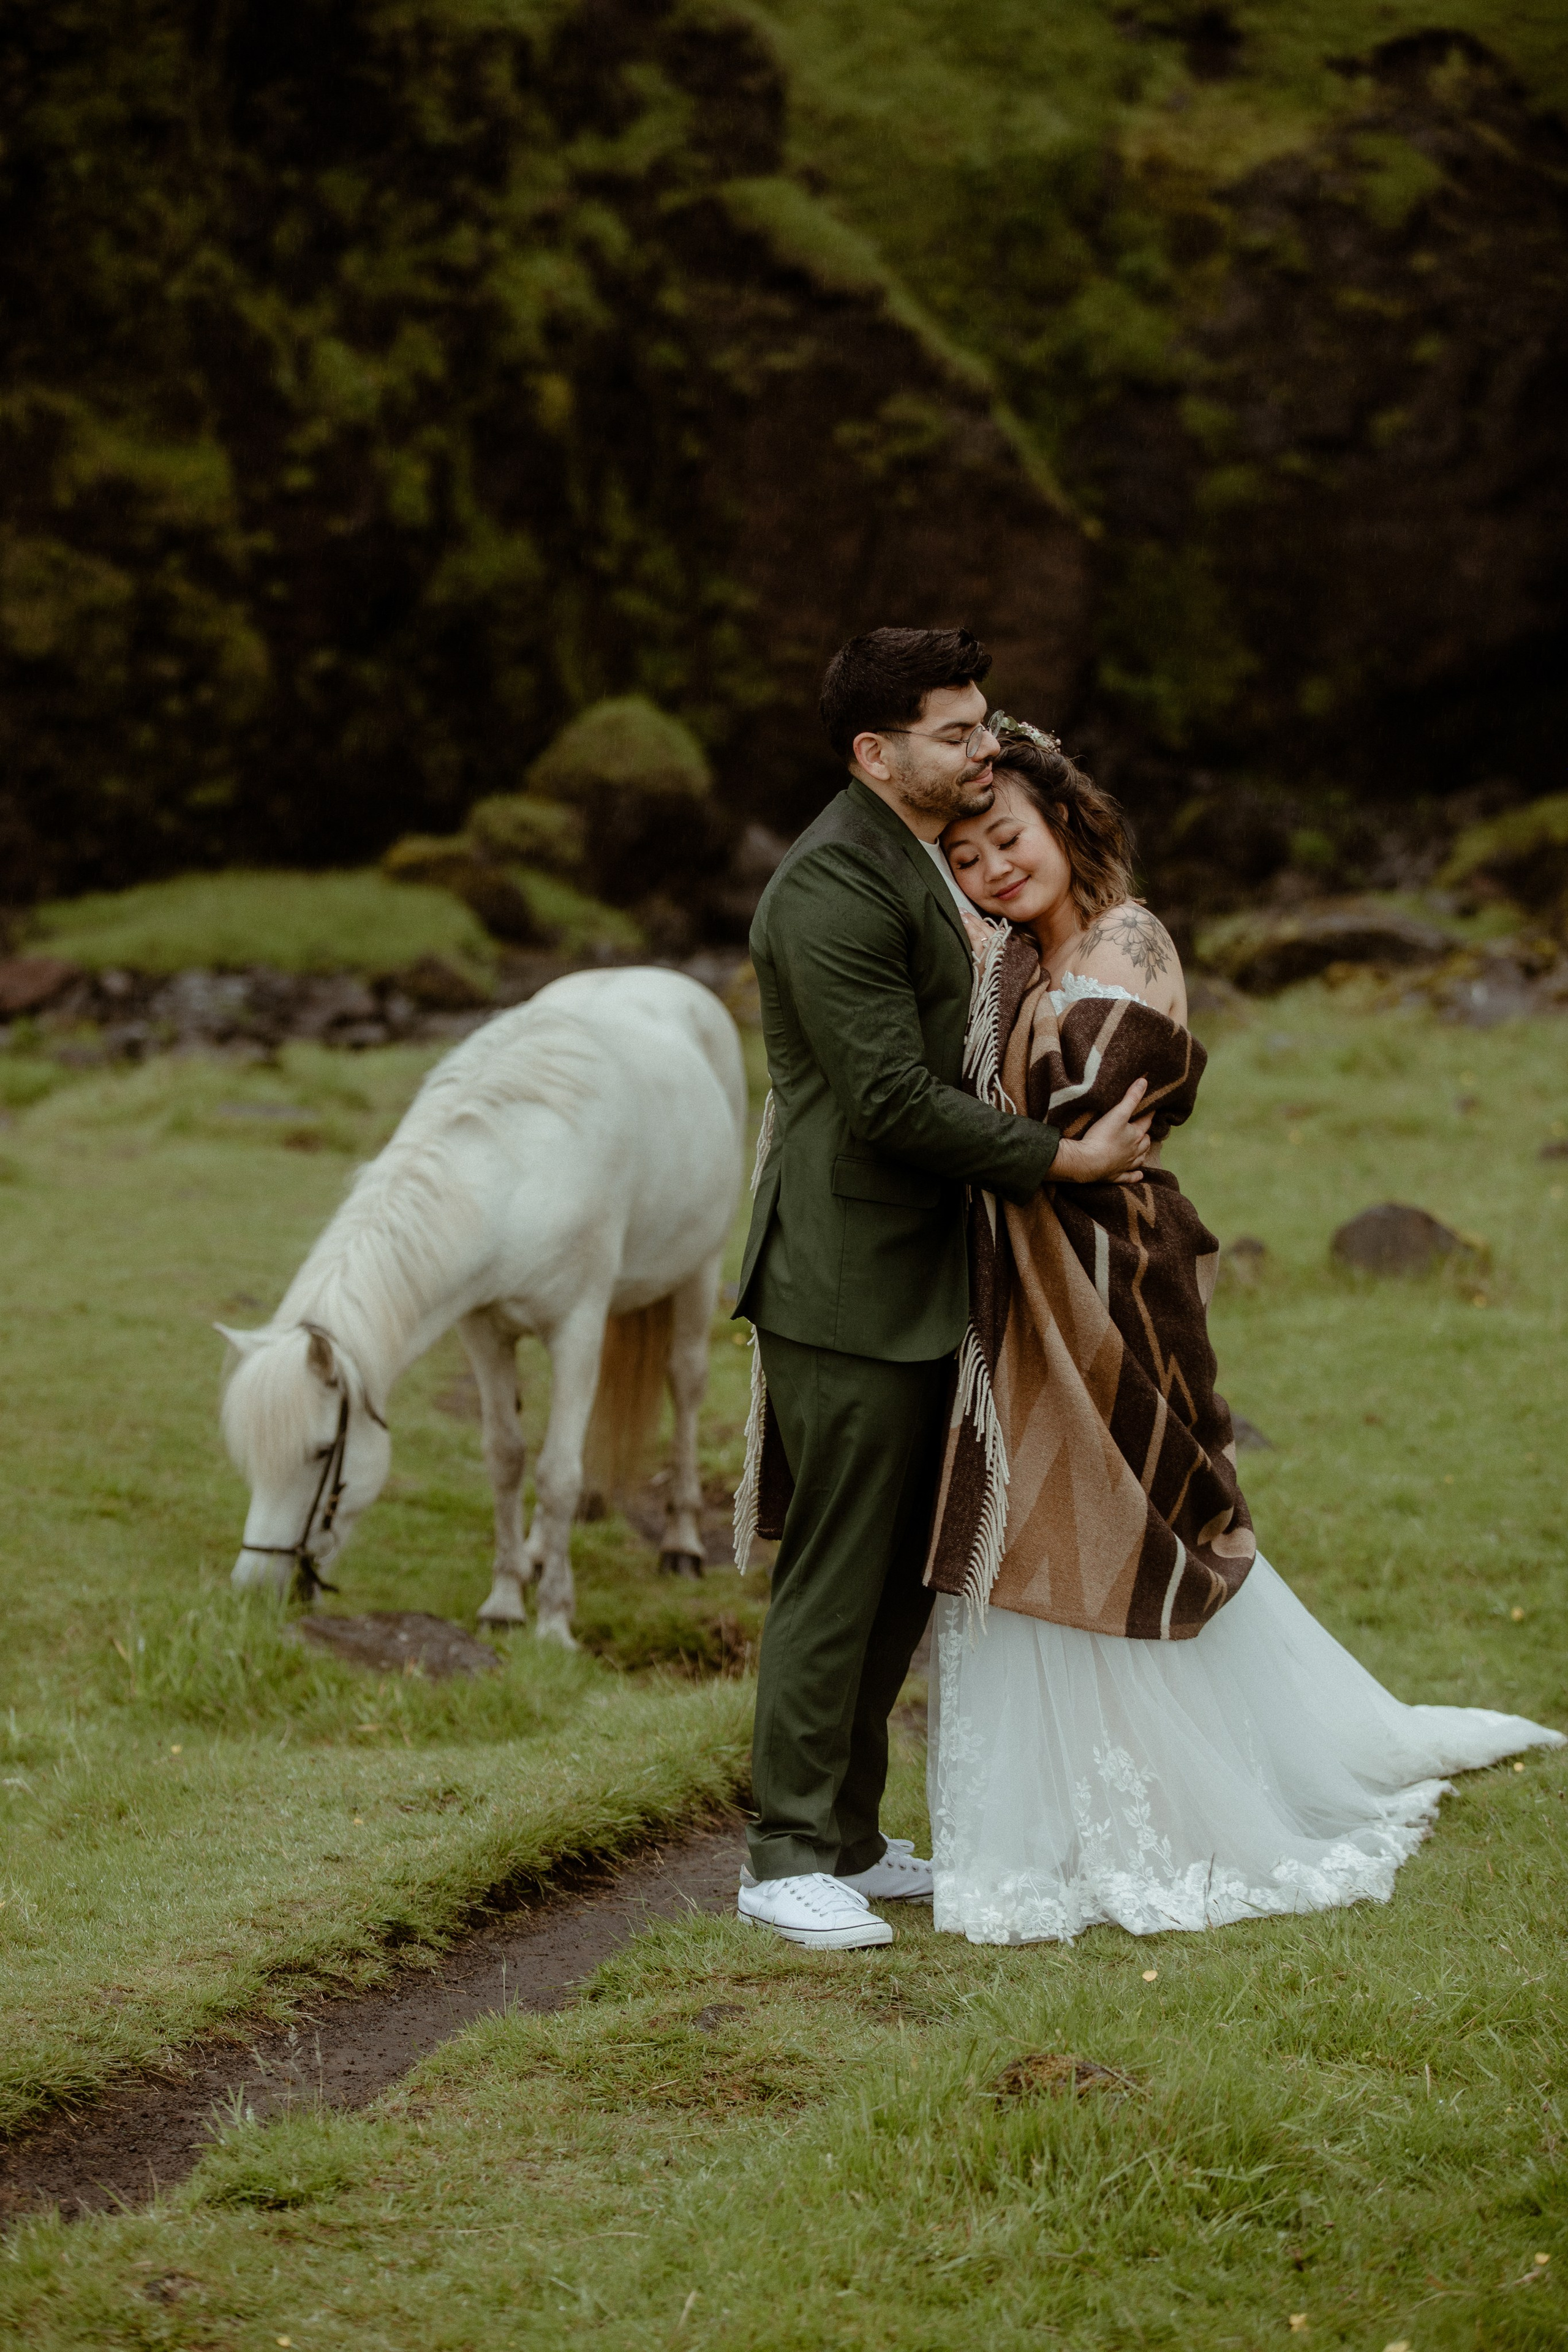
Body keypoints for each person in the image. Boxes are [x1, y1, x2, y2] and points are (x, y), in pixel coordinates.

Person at [924, 715, 1564, 1945]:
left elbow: (1087, 1093)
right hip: (1026, 1276)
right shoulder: (1006, 967)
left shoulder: (1127, 938)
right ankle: (1065, 1797)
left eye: (1005, 839)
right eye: (963, 862)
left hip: (1113, 1269)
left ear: (1060, 824)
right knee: (1036, 1516)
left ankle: (1179, 1788)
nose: (993, 871)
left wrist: (1001, 1096)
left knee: (1132, 1506)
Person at [731, 630, 1153, 1950]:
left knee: (899, 1575)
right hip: (845, 1277)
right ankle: (782, 1853)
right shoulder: (826, 890)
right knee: (835, 1573)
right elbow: (887, 1099)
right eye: (956, 732)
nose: (984, 750)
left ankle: (849, 1839)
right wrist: (1060, 1156)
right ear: (876, 753)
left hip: (928, 1274)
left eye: (983, 724)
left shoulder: (911, 857)